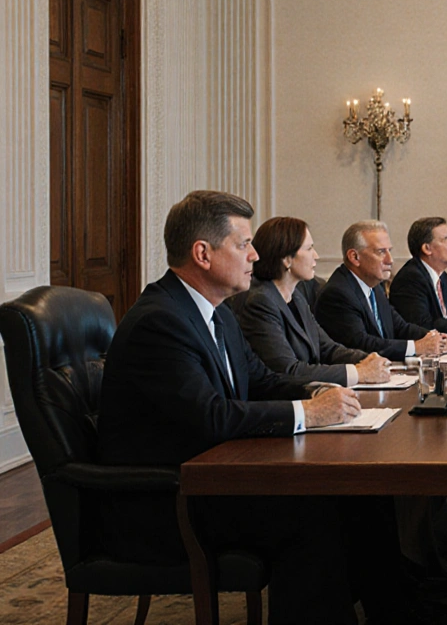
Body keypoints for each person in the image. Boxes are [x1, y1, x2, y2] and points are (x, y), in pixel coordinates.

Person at [96, 191, 420, 625]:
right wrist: (310, 413)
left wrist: (326, 393)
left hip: (214, 476)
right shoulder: (162, 321)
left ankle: (395, 611)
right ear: (203, 254)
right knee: (316, 514)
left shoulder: (217, 312)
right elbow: (213, 415)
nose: (254, 255)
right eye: (243, 244)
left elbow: (262, 381)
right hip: (169, 501)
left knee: (360, 498)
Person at [233, 216, 392, 386]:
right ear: (287, 258)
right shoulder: (261, 302)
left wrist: (369, 359)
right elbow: (288, 369)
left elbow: (327, 348)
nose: (316, 256)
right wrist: (358, 373)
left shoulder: (297, 297)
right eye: (309, 249)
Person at [314, 220, 447, 361]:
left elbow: (400, 327)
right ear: (354, 257)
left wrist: (434, 337)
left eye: (389, 251)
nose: (390, 260)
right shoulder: (338, 293)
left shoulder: (374, 286)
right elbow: (361, 344)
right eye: (381, 252)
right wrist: (416, 347)